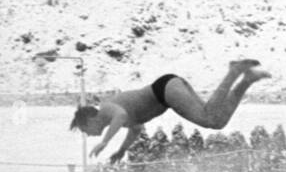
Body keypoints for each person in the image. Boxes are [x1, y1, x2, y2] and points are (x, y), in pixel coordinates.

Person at [69, 59, 271, 163]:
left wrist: (105, 142)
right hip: (169, 90)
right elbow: (136, 129)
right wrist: (121, 151)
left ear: (89, 120)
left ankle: (234, 70)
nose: (88, 135)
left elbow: (120, 116)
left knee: (208, 115)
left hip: (164, 90)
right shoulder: (114, 118)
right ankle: (247, 80)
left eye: (85, 130)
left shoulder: (107, 107)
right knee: (217, 121)